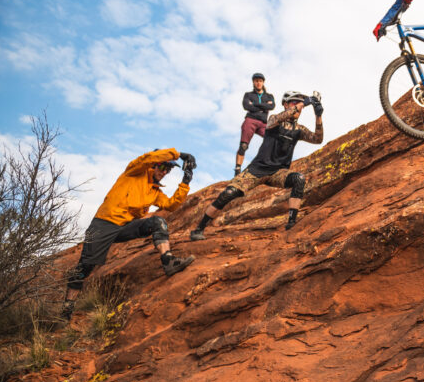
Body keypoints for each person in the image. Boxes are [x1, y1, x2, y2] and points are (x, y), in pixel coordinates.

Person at [63, 149, 197, 319]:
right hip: (104, 223)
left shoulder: (155, 191)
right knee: (85, 267)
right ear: (153, 165)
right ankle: (67, 310)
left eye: (168, 170)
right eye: (162, 167)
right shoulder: (135, 172)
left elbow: (170, 205)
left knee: (158, 222)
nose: (164, 172)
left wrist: (185, 182)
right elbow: (149, 158)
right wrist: (179, 155)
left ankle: (168, 261)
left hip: (126, 226)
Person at [190, 91, 324, 239]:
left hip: (278, 172)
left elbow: (317, 139)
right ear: (285, 105)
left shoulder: (299, 129)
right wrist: (303, 103)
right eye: (293, 103)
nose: (298, 107)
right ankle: (199, 229)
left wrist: (318, 116)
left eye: (300, 104)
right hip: (256, 170)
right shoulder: (274, 119)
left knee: (299, 178)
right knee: (228, 194)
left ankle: (292, 223)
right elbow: (279, 118)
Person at [236, 72, 275, 176]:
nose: (258, 83)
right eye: (256, 81)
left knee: (272, 140)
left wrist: (254, 105)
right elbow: (246, 106)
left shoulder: (269, 96)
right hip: (251, 120)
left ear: (263, 82)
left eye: (260, 81)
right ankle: (237, 169)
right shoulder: (248, 95)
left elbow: (271, 107)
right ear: (253, 82)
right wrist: (264, 106)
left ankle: (270, 166)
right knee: (243, 146)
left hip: (263, 123)